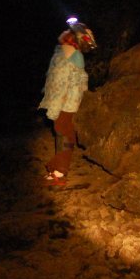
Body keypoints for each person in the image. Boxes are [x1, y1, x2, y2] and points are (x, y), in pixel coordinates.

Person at [38, 17, 97, 187]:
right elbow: (69, 82)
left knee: (63, 134)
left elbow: (68, 82)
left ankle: (57, 172)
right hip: (63, 102)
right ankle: (57, 172)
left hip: (62, 102)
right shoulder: (69, 53)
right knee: (64, 134)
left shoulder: (67, 53)